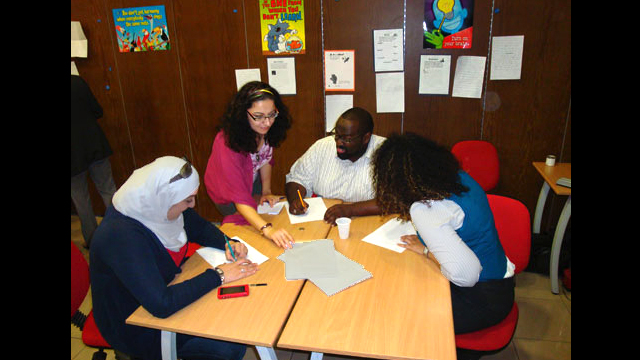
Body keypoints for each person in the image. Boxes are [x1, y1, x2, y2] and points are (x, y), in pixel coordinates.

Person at [90, 156, 258, 360]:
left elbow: (201, 227)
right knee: (230, 345)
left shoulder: (158, 203)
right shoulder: (121, 235)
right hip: (135, 325)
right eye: (188, 200)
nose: (192, 205)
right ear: (164, 197)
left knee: (231, 313)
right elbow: (162, 304)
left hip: (161, 292)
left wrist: (227, 242)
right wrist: (219, 275)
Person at [370, 133, 515, 339]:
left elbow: (466, 276)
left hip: (483, 298)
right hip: (500, 279)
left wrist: (429, 252)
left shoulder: (425, 209)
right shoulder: (458, 177)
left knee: (396, 319)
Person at [205, 81, 295, 249]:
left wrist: (266, 191)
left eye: (271, 114)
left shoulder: (266, 129)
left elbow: (265, 159)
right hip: (226, 190)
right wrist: (267, 230)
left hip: (250, 177)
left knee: (261, 214)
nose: (267, 122)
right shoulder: (227, 143)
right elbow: (239, 196)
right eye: (258, 116)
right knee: (247, 230)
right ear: (242, 114)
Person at [285, 107, 385, 224]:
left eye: (346, 139)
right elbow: (297, 179)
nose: (338, 143)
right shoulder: (322, 146)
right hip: (323, 221)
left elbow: (394, 200)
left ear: (365, 138)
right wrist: (295, 199)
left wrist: (350, 210)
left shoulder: (387, 152)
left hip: (369, 223)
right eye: (337, 135)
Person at [71, 74, 117, 248]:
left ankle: (92, 240)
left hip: (72, 157)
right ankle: (120, 232)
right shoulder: (77, 81)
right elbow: (98, 111)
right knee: (108, 190)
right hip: (94, 144)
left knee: (80, 198)